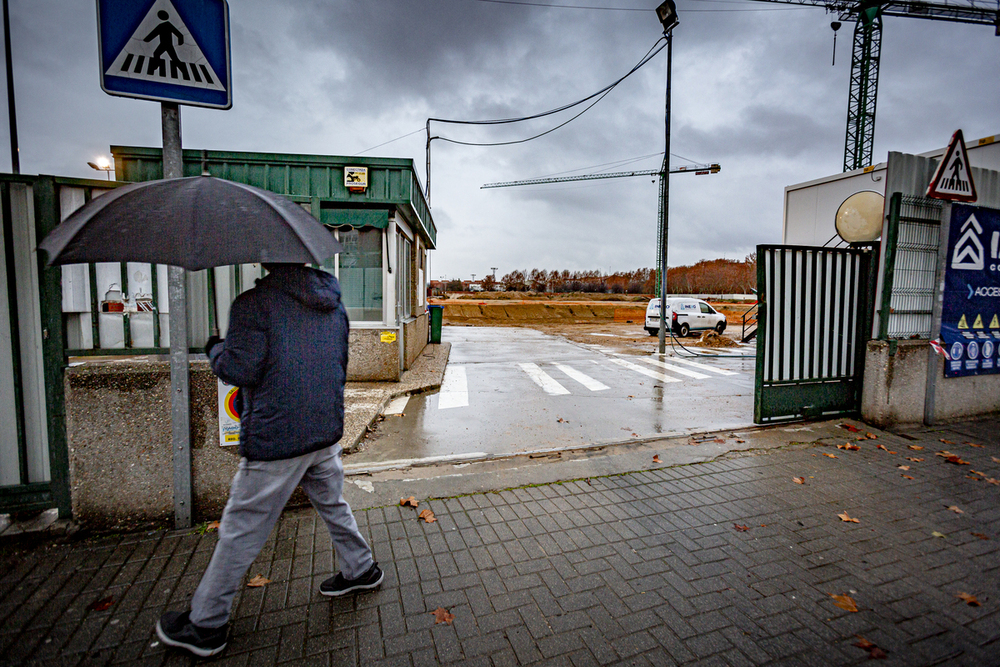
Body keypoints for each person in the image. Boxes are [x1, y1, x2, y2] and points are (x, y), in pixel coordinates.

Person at [156, 263, 382, 658]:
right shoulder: (332, 302)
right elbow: (341, 363)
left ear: (266, 261)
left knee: (241, 529)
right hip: (323, 427)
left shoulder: (253, 305)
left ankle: (205, 624)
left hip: (277, 436)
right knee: (332, 503)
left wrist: (216, 348)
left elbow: (238, 369)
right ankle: (361, 568)